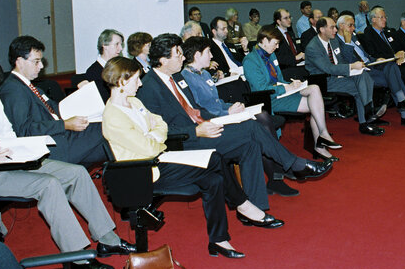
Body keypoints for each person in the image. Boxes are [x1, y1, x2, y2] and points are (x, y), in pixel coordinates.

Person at [0, 55, 136, 269]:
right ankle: (76, 257)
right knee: (48, 185)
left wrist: (22, 147)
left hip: (6, 161)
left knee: (76, 173)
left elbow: (7, 134)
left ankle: (108, 239)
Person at [102, 57, 280, 259]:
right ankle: (243, 205)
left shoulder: (133, 102)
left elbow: (160, 124)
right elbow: (149, 149)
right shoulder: (113, 117)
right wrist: (155, 137)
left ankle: (219, 240)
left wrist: (154, 135)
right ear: (122, 82)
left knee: (214, 179)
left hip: (161, 158)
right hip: (144, 171)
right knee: (214, 160)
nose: (141, 84)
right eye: (136, 79)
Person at [136, 34, 331, 213]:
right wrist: (196, 131)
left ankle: (257, 208)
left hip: (204, 127)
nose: (182, 57)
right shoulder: (149, 87)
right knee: (252, 127)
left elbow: (195, 109)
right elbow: (158, 130)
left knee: (250, 144)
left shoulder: (176, 77)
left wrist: (217, 117)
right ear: (163, 60)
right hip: (186, 140)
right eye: (177, 54)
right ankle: (293, 164)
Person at [180, 36, 304, 197]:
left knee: (263, 117)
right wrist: (227, 112)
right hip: (214, 122)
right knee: (261, 123)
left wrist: (230, 107)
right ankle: (279, 174)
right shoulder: (186, 77)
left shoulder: (203, 74)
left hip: (225, 114)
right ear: (197, 55)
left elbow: (216, 101)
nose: (211, 56)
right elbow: (200, 110)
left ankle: (278, 176)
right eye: (208, 52)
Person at [0, 36, 109, 167]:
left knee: (111, 142)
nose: (41, 66)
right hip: (53, 146)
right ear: (20, 61)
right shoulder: (13, 90)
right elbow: (24, 130)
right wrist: (65, 125)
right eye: (36, 61)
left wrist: (82, 98)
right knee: (109, 128)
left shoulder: (32, 87)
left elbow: (56, 109)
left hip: (62, 136)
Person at [243, 25, 341, 161]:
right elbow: (262, 89)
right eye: (275, 43)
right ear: (264, 40)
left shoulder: (270, 55)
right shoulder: (250, 61)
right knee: (316, 106)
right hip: (270, 99)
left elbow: (279, 79)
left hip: (282, 93)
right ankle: (320, 144)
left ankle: (322, 136)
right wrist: (286, 88)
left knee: (314, 89)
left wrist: (292, 84)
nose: (277, 47)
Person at [304, 17, 387, 136]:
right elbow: (328, 68)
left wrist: (352, 68)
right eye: (332, 27)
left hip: (339, 75)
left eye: (335, 27)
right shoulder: (313, 47)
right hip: (324, 80)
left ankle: (368, 115)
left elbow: (341, 60)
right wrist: (351, 67)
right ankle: (367, 118)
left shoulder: (333, 41)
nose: (336, 30)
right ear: (322, 29)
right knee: (360, 87)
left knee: (363, 75)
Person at [336, 14, 405, 129]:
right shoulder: (335, 41)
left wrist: (376, 59)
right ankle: (404, 111)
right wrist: (347, 42)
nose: (354, 28)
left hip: (370, 66)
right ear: (341, 26)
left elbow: (365, 56)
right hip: (358, 73)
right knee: (393, 76)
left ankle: (402, 108)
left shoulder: (354, 37)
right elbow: (347, 62)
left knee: (392, 66)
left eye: (354, 26)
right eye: (350, 25)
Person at [82, 29, 124, 101]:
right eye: (117, 44)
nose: (120, 48)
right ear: (105, 45)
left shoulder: (120, 66)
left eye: (121, 44)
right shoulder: (93, 72)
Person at [273, 8, 308, 81]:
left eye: (289, 17)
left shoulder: (290, 33)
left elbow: (296, 50)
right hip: (286, 69)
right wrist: (295, 58)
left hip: (298, 65)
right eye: (285, 18)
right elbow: (278, 58)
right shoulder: (275, 36)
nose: (289, 20)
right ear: (278, 21)